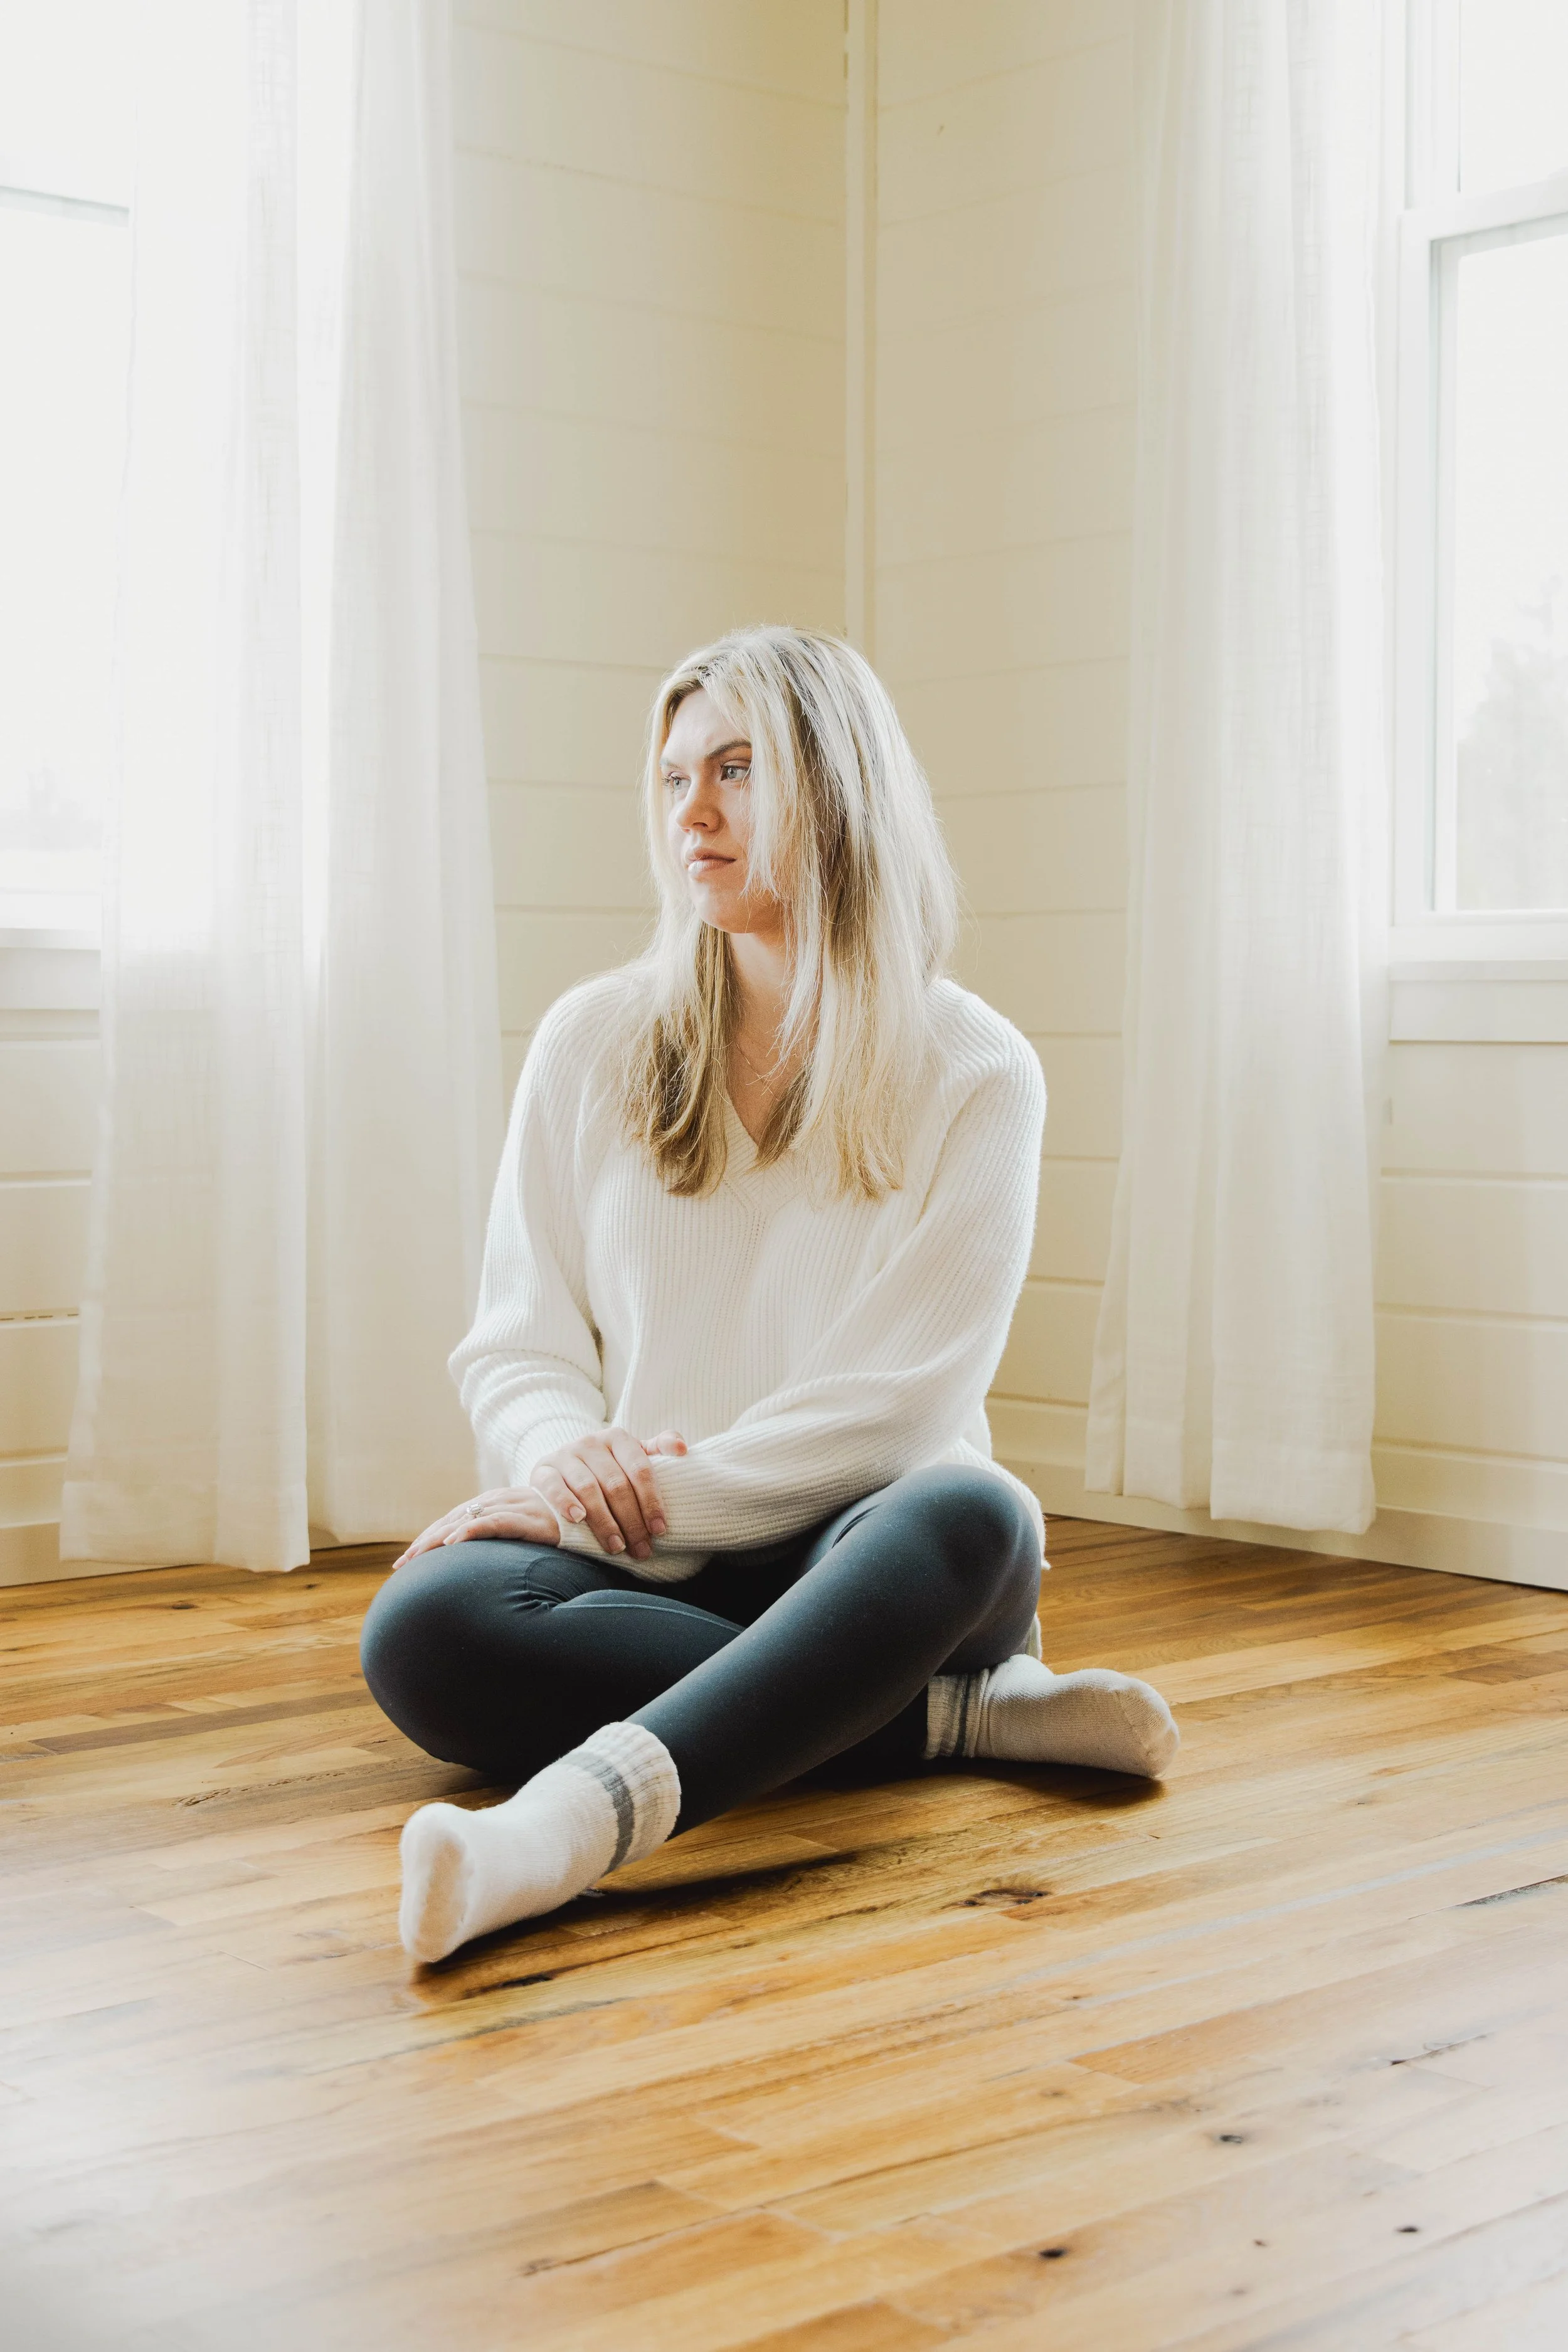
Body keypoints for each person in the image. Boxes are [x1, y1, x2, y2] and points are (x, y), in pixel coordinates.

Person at [361, 626, 1177, 1964]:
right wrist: (571, 1468)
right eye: (674, 775)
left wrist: (656, 1500)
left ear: (834, 785)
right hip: (660, 1559)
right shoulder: (592, 1043)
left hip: (868, 1551)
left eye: (734, 770)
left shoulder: (976, 1071)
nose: (690, 812)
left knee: (978, 1506)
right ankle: (952, 1720)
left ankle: (556, 1832)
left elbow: (899, 1410)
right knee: (423, 1626)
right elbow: (519, 1344)